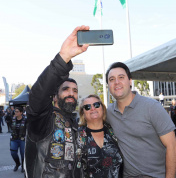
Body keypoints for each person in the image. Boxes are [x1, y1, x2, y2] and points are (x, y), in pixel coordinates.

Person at [25, 25, 89, 178]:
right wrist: (63, 58)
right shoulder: (43, 118)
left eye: (75, 91)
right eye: (66, 89)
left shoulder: (76, 123)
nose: (71, 94)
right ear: (54, 96)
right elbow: (38, 95)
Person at [106, 62, 176, 178]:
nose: (116, 82)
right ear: (108, 85)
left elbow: (172, 146)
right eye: (112, 79)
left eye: (121, 77)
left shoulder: (152, 107)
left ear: (130, 81)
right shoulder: (109, 113)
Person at [75, 94, 123, 178]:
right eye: (87, 107)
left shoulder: (114, 131)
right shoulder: (77, 136)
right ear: (83, 113)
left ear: (102, 108)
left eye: (96, 105)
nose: (93, 108)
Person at [10, 107, 27, 172]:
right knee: (13, 153)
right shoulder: (13, 119)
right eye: (15, 111)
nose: (15, 113)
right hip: (14, 139)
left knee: (23, 154)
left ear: (21, 113)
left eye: (17, 111)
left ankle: (23, 166)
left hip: (22, 139)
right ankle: (17, 163)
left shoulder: (25, 120)